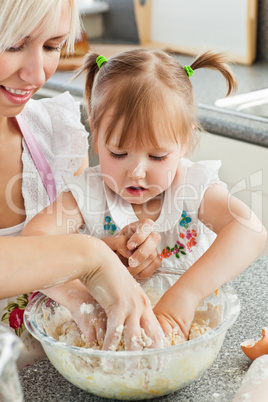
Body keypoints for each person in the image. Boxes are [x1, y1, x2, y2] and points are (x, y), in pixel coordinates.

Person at [22, 49, 267, 343]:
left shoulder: (193, 188)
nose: (137, 172)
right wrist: (83, 299)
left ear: (185, 142)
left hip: (187, 341)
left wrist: (185, 296)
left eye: (157, 156)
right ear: (96, 134)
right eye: (119, 153)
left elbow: (250, 229)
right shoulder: (89, 193)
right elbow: (32, 245)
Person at [0, 0, 163, 369]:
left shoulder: (55, 134)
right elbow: (77, 254)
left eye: (52, 46)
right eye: (13, 45)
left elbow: (64, 261)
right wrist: (88, 255)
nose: (37, 75)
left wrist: (114, 254)